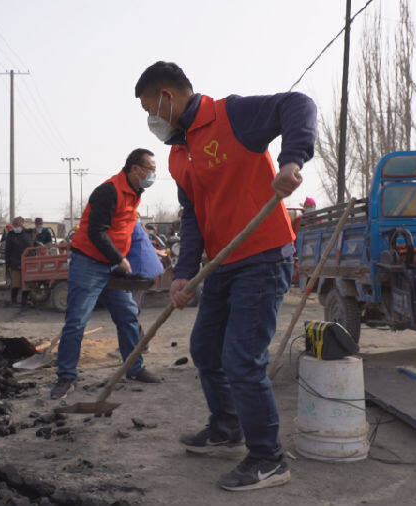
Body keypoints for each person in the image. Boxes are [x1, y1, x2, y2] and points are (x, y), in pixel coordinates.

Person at [135, 61, 316, 491]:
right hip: (223, 262)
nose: (150, 119)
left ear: (169, 96)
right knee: (205, 349)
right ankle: (227, 428)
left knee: (242, 358)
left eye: (150, 107)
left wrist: (292, 160)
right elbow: (194, 215)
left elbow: (299, 104)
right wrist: (182, 274)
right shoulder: (179, 154)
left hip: (263, 255)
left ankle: (269, 459)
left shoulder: (231, 115)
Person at [50, 148, 162, 400]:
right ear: (136, 169)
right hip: (89, 263)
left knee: (128, 316)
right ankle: (66, 377)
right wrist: (119, 258)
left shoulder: (134, 193)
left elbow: (126, 230)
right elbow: (96, 232)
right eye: (151, 170)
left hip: (112, 265)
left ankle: (134, 368)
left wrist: (141, 256)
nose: (153, 175)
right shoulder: (109, 191)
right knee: (77, 320)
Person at [4, 216, 35, 306]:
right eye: (14, 225)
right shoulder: (11, 235)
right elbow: (7, 250)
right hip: (15, 263)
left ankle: (24, 301)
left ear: (22, 225)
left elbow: (33, 247)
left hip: (27, 263)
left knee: (26, 283)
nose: (16, 227)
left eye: (17, 225)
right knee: (16, 283)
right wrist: (8, 264)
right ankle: (13, 300)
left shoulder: (28, 234)